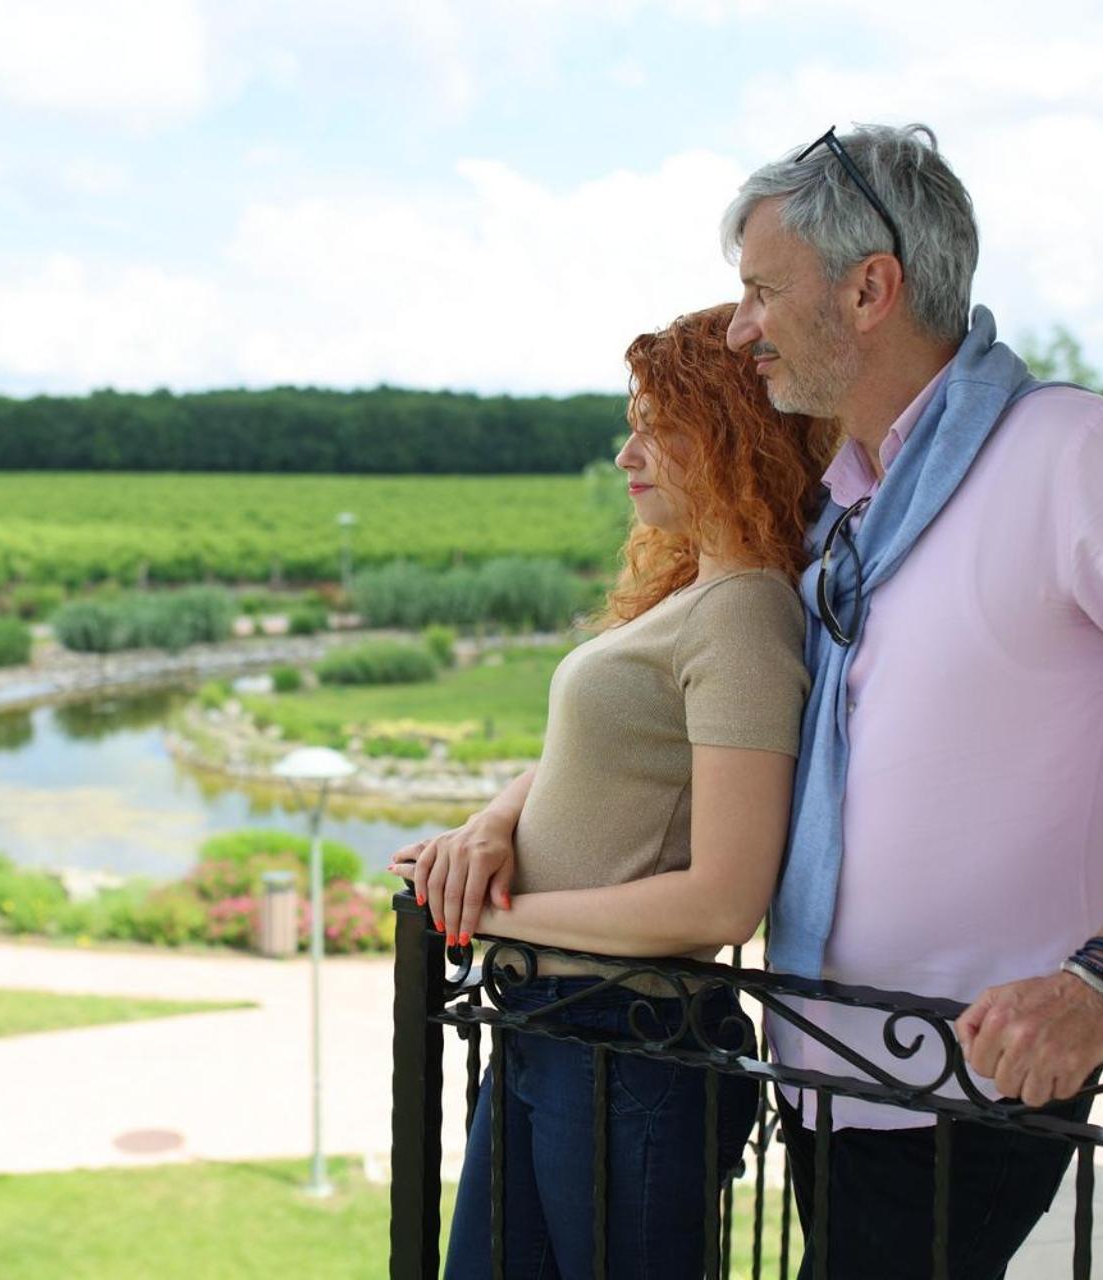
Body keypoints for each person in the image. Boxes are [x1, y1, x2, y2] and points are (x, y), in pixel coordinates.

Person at [715, 122, 1103, 1278]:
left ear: (871, 289)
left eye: (761, 290)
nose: (737, 325)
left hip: (971, 1079)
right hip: (820, 1069)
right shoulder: (841, 500)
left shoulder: (1079, 453)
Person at [389, 302, 836, 1279]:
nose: (628, 453)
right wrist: (489, 826)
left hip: (627, 1047)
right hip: (558, 1028)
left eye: (658, 426)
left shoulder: (744, 614)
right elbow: (590, 762)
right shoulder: (698, 590)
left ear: (735, 435)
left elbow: (723, 896)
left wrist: (508, 922)